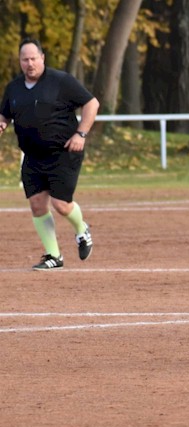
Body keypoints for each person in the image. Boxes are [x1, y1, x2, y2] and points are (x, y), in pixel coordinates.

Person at [0, 38, 99, 270]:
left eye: (34, 58)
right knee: (37, 205)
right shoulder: (13, 88)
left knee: (61, 204)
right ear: (20, 61)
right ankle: (54, 256)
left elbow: (92, 104)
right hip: (32, 156)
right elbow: (4, 114)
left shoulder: (61, 81)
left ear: (42, 58)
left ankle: (81, 229)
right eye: (25, 59)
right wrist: (2, 123)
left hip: (63, 152)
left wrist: (81, 134)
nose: (30, 63)